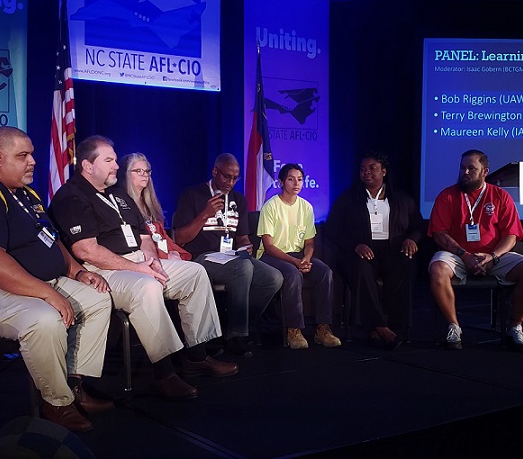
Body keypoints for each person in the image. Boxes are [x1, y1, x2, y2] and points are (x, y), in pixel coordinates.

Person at [0, 126, 114, 432]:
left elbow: (51, 240)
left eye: (31, 154)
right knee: (43, 319)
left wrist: (77, 270)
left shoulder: (26, 194)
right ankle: (56, 402)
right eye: (23, 156)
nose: (32, 161)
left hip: (29, 283)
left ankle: (73, 385)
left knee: (97, 299)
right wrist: (48, 293)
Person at [48, 136, 238, 402]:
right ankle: (164, 373)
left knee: (194, 272)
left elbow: (145, 237)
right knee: (147, 287)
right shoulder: (72, 197)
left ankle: (196, 357)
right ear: (88, 166)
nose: (116, 165)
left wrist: (153, 261)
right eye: (109, 160)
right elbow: (86, 251)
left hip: (138, 262)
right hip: (102, 270)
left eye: (116, 160)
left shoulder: (118, 194)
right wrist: (138, 269)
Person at [428, 149, 523, 352]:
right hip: (458, 256)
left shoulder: (500, 196)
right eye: (462, 168)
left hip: (494, 256)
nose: (465, 172)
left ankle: (515, 327)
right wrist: (465, 255)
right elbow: (439, 234)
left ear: (484, 172)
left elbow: (511, 235)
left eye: (471, 168)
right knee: (437, 268)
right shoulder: (447, 196)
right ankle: (454, 327)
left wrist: (492, 256)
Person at [173, 153, 283, 357]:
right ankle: (236, 336)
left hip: (231, 257)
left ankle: (235, 325)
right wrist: (205, 214)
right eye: (226, 176)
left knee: (273, 277)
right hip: (202, 258)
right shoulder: (193, 195)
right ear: (215, 171)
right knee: (243, 268)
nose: (230, 183)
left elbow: (242, 238)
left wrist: (246, 246)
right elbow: (180, 239)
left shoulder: (238, 200)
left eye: (235, 178)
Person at [326, 151, 423, 349]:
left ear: (384, 171)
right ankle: (381, 327)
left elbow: (418, 225)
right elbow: (332, 229)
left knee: (404, 264)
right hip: (359, 251)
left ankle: (388, 324)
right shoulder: (348, 199)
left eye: (372, 168)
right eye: (363, 169)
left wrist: (411, 239)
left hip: (392, 249)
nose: (367, 172)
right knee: (362, 269)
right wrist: (355, 245)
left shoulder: (401, 198)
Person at [256, 163, 341, 349]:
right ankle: (293, 330)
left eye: (300, 180)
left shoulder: (306, 207)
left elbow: (309, 243)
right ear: (281, 182)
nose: (296, 183)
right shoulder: (270, 206)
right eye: (291, 179)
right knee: (293, 274)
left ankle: (323, 329)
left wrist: (306, 259)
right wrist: (295, 262)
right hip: (272, 256)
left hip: (297, 255)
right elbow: (269, 246)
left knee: (325, 272)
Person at [118, 152, 191, 261]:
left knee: (193, 266)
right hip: (144, 257)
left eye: (147, 171)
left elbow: (162, 236)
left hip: (163, 254)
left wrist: (174, 252)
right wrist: (165, 256)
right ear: (126, 174)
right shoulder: (123, 204)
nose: (145, 174)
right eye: (138, 171)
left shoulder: (150, 203)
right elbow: (136, 241)